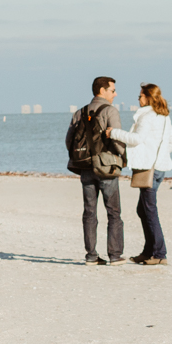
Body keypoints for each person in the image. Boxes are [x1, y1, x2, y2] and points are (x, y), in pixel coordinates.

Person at [64, 76, 126, 265]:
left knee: (89, 212)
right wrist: (121, 158)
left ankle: (91, 255)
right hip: (106, 167)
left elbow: (69, 140)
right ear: (102, 91)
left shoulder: (79, 112)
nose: (115, 94)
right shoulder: (110, 110)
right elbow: (118, 139)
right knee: (113, 212)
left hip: (85, 167)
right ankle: (115, 255)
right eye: (112, 90)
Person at [120, 83, 172, 265]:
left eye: (140, 96)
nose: (138, 99)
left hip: (150, 168)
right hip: (159, 167)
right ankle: (148, 252)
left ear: (147, 97)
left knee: (149, 210)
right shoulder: (163, 117)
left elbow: (136, 139)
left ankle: (159, 254)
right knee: (143, 209)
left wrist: (114, 133)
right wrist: (160, 155)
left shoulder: (147, 116)